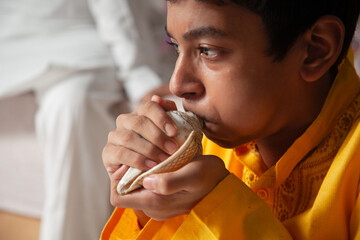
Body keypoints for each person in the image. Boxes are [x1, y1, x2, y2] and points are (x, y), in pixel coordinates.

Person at [101, 0, 360, 239]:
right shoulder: (202, 147)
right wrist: (147, 206)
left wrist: (217, 208)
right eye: (177, 47)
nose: (177, 84)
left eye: (207, 50)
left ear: (315, 50)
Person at [0, 0, 168, 239]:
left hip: (72, 49)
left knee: (70, 105)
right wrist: (139, 75)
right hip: (39, 48)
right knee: (72, 106)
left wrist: (142, 74)